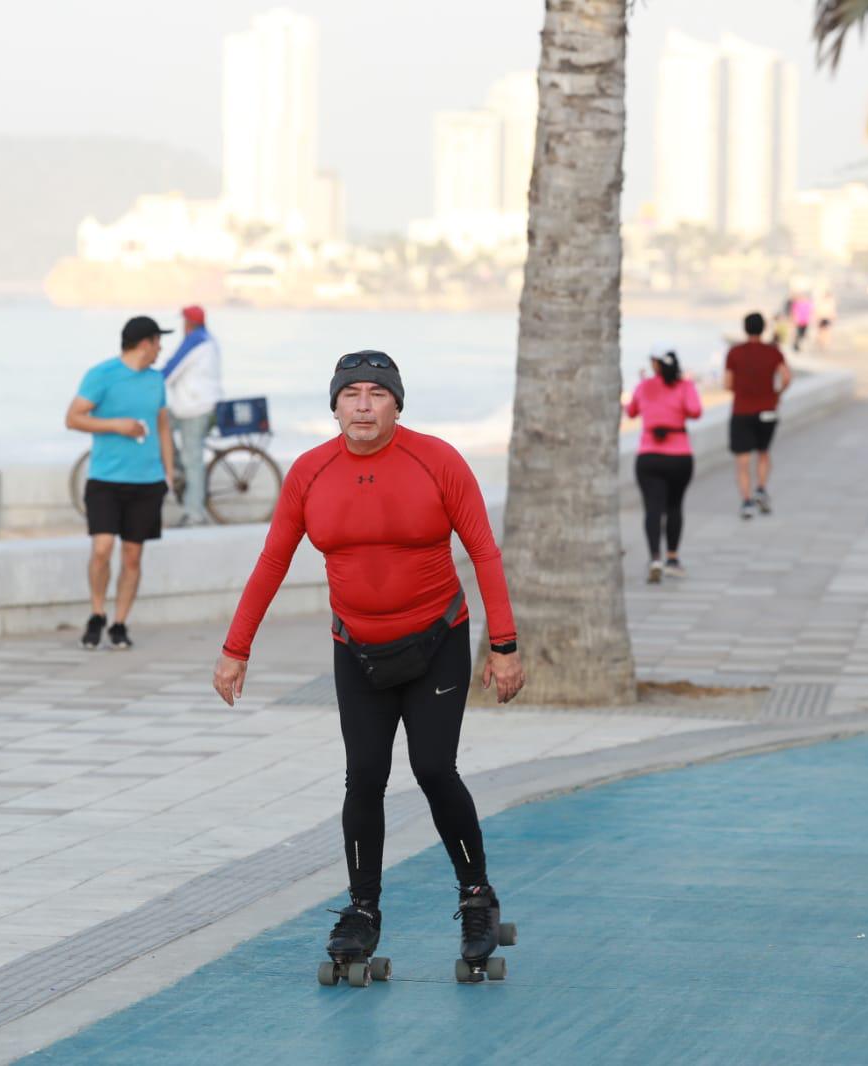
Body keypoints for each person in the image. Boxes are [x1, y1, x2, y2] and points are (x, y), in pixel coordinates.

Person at [211, 350, 525, 981]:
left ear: (396, 403)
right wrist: (236, 648)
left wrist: (505, 645)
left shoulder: (436, 461)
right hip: (356, 649)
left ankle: (476, 898)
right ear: (334, 405)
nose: (362, 404)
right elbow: (272, 561)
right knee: (364, 778)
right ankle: (362, 910)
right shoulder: (308, 473)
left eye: (376, 394)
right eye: (350, 393)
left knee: (434, 767)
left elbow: (484, 553)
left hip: (437, 639)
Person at [65, 316, 177, 650]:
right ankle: (97, 613)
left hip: (147, 482)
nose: (161, 348)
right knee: (102, 549)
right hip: (105, 480)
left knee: (132, 557)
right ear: (146, 343)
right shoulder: (102, 375)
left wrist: (168, 474)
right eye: (159, 342)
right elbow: (73, 418)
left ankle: (119, 623)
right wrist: (117, 426)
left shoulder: (156, 380)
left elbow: (163, 427)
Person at [624, 346, 703, 583]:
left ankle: (655, 558)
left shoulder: (644, 385)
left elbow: (630, 411)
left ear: (655, 364)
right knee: (675, 507)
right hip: (680, 456)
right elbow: (695, 411)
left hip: (650, 456)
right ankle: (673, 559)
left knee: (653, 509)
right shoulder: (685, 386)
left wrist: (643, 386)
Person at [160, 305, 224, 527]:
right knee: (160, 424)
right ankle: (176, 469)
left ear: (187, 323)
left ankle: (195, 514)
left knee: (192, 460)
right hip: (198, 405)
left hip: (195, 409)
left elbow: (170, 369)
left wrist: (147, 384)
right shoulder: (208, 339)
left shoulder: (195, 340)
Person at [725, 312, 792, 520]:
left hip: (742, 411)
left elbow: (727, 384)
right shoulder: (773, 353)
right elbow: (786, 377)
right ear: (763, 329)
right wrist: (777, 394)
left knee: (743, 460)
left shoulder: (734, 353)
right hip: (768, 410)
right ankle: (761, 488)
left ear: (744, 328)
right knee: (763, 452)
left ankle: (746, 502)